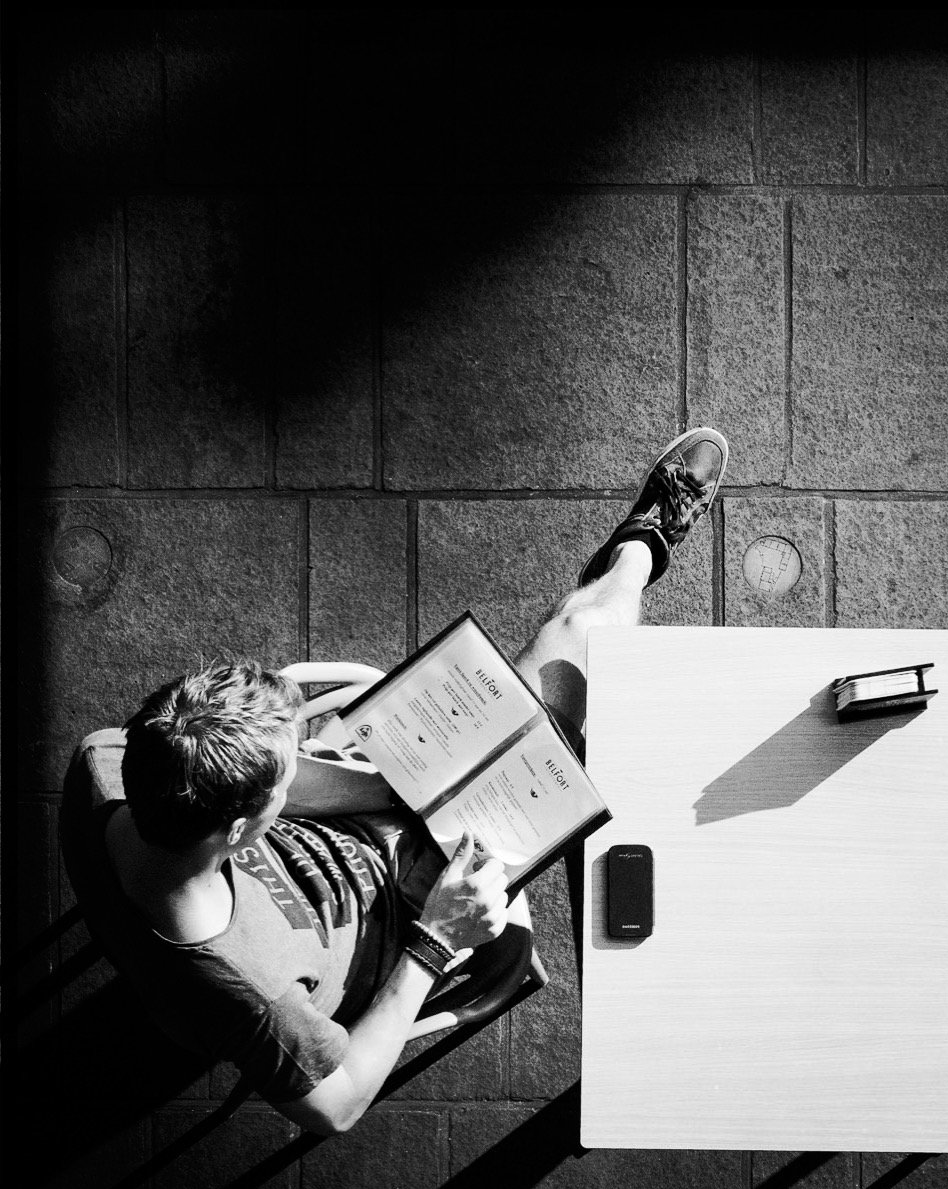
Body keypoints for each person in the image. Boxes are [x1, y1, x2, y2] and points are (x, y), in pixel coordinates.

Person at [63, 428, 729, 1136]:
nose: (297, 767)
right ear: (234, 829)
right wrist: (437, 937)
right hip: (414, 909)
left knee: (533, 719)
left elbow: (295, 788)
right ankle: (636, 553)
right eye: (283, 777)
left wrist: (408, 787)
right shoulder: (252, 996)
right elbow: (338, 1106)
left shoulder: (108, 761)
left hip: (364, 821)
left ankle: (617, 580)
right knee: (568, 675)